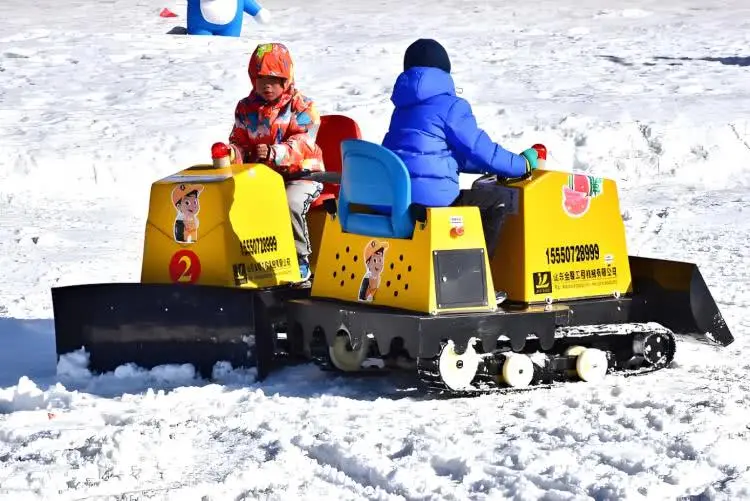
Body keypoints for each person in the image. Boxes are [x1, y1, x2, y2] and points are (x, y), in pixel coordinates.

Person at [382, 38, 540, 303]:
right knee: (496, 200)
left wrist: (480, 165)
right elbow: (481, 149)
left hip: (402, 200)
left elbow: (432, 154)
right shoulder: (451, 106)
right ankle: (473, 282)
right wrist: (521, 163)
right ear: (445, 70)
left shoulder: (402, 109)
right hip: (436, 202)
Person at [227, 42, 324, 282]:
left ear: (285, 79)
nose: (266, 85)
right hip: (264, 177)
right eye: (261, 78)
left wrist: (275, 152)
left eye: (273, 78)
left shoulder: (303, 106)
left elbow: (305, 143)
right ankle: (251, 262)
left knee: (290, 202)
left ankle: (301, 261)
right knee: (235, 201)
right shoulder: (246, 108)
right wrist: (231, 153)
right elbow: (239, 139)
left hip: (304, 175)